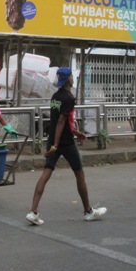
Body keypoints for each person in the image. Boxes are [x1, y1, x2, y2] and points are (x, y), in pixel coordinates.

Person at [26, 67, 106, 225]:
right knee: (79, 174)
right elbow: (62, 122)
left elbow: (59, 121)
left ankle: (33, 212)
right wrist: (57, 145)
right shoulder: (69, 98)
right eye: (71, 76)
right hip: (65, 142)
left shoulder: (55, 96)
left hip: (54, 139)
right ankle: (88, 211)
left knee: (46, 174)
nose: (73, 78)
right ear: (68, 79)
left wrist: (76, 133)